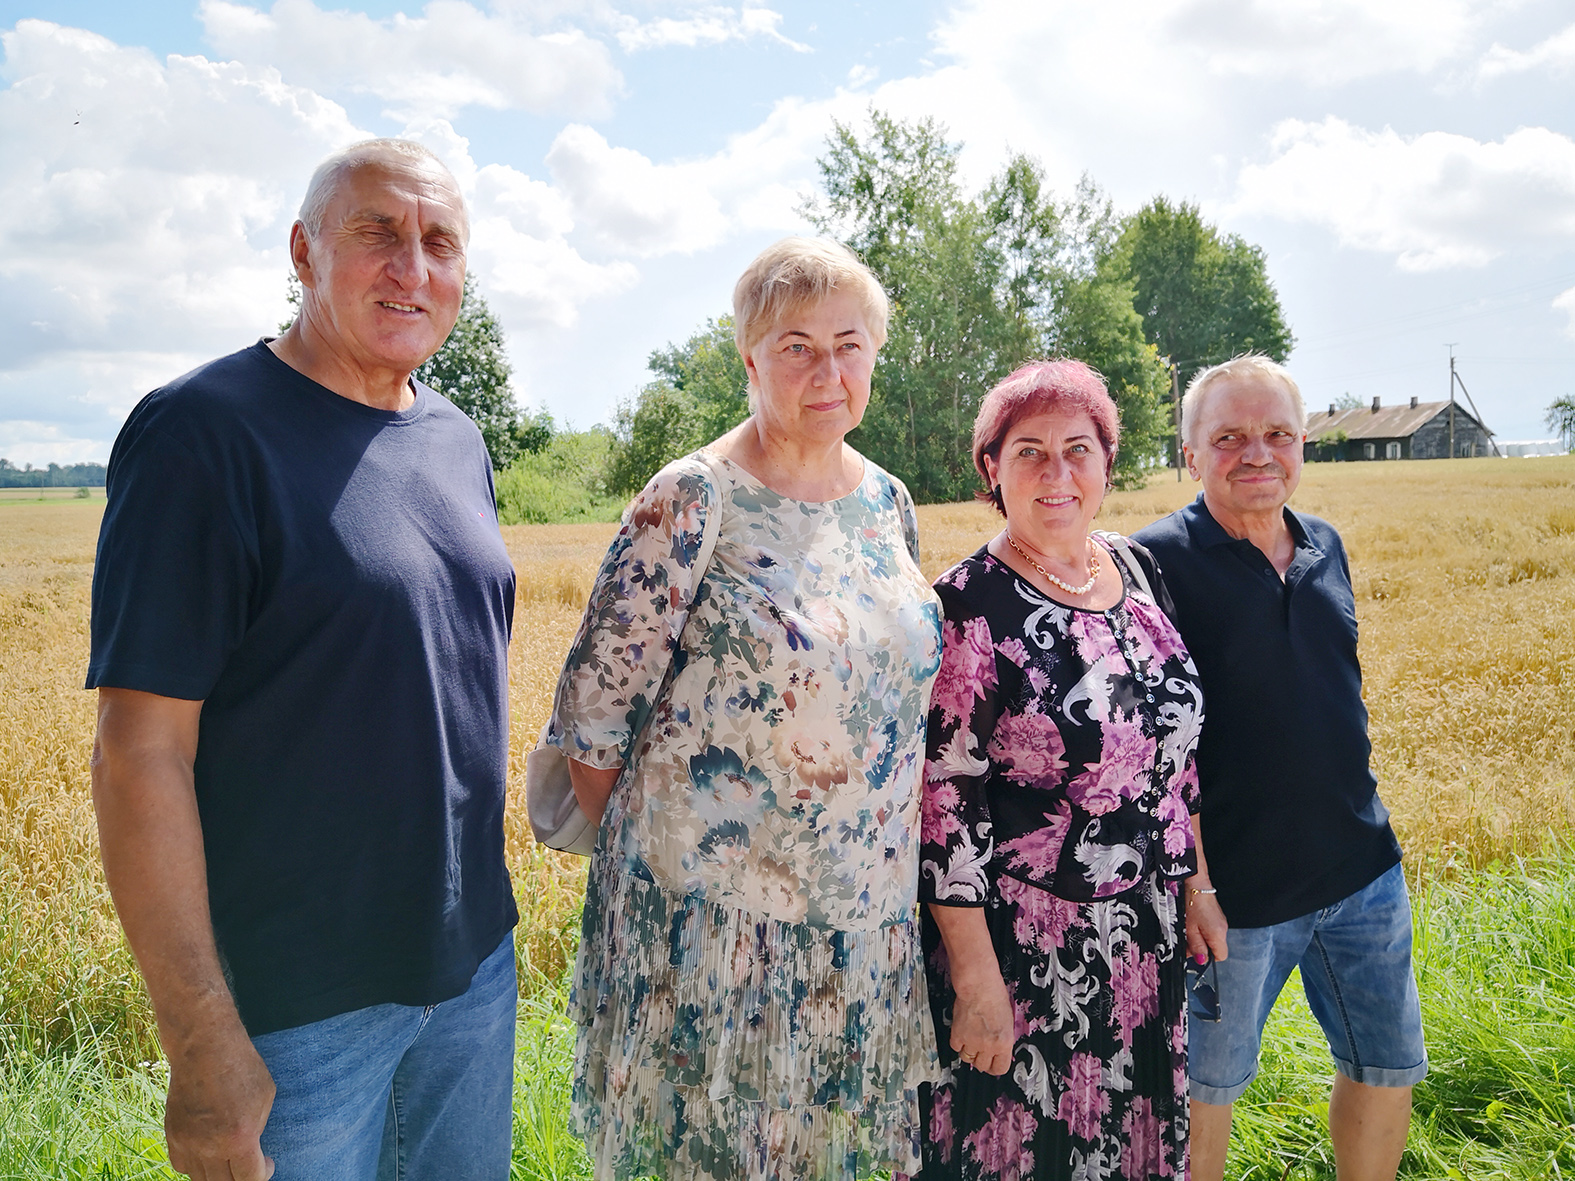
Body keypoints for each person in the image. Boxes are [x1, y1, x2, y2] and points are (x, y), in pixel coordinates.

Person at [87, 139, 519, 1181]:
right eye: (378, 233)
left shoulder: (456, 438)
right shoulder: (202, 433)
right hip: (297, 1018)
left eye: (439, 243)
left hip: (471, 977)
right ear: (303, 251)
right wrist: (201, 1040)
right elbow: (139, 753)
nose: (411, 267)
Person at [543, 236, 943, 1180]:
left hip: (861, 927)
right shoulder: (692, 497)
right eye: (796, 346)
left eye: (848, 344)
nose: (827, 371)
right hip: (714, 938)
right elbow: (594, 720)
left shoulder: (887, 501)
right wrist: (680, 881)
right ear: (749, 357)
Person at [917, 359, 1218, 1180]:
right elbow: (944, 809)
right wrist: (976, 979)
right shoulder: (966, 605)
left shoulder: (1134, 567)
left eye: (1077, 449)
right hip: (1029, 953)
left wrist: (1196, 884)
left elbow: (1173, 752)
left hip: (1144, 938)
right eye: (1030, 452)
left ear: (1106, 463)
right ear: (991, 468)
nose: (1057, 472)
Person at [1134, 354, 1427, 1181]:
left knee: (1385, 1065)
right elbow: (1153, 749)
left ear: (1302, 443)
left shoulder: (1324, 542)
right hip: (1234, 897)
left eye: (1276, 433)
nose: (1256, 453)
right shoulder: (1151, 563)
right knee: (1202, 1091)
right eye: (1228, 437)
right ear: (1190, 453)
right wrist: (1194, 883)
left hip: (1362, 871)